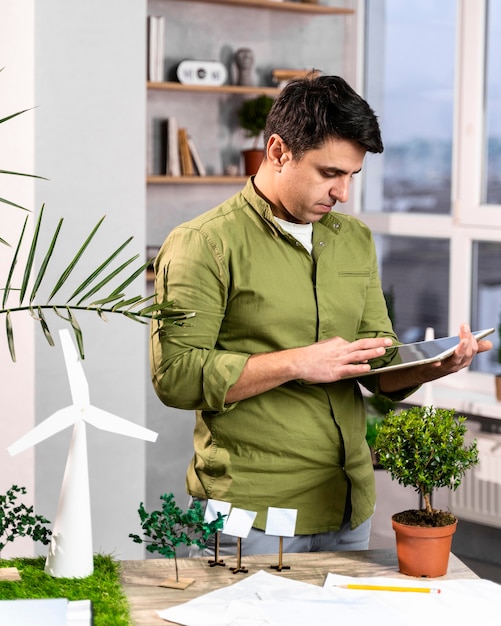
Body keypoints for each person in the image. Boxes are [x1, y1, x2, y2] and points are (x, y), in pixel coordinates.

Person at [150, 74, 492, 556]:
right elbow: (176, 377)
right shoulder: (204, 243)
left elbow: (375, 364)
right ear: (277, 152)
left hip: (348, 505)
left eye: (352, 175)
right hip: (251, 514)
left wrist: (432, 365)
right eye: (330, 172)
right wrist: (296, 363)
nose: (343, 192)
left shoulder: (354, 239)